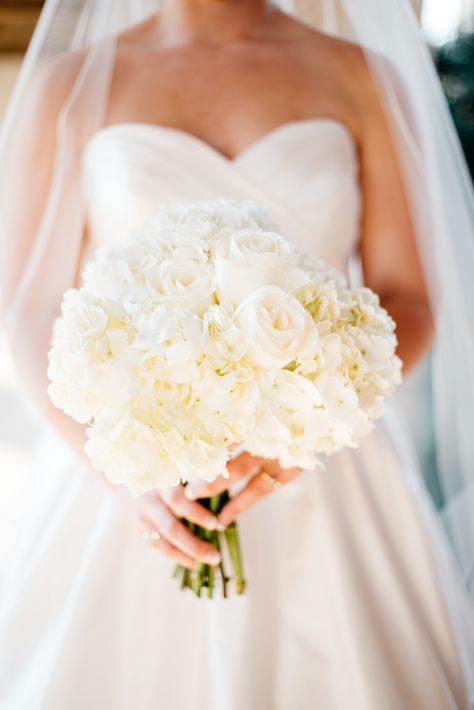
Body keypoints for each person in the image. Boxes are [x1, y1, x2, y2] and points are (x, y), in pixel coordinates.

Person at [0, 1, 473, 709]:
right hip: (136, 472)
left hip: (326, 468)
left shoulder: (366, 77)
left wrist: (299, 430)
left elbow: (405, 295)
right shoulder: (66, 85)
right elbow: (33, 307)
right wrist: (124, 471)